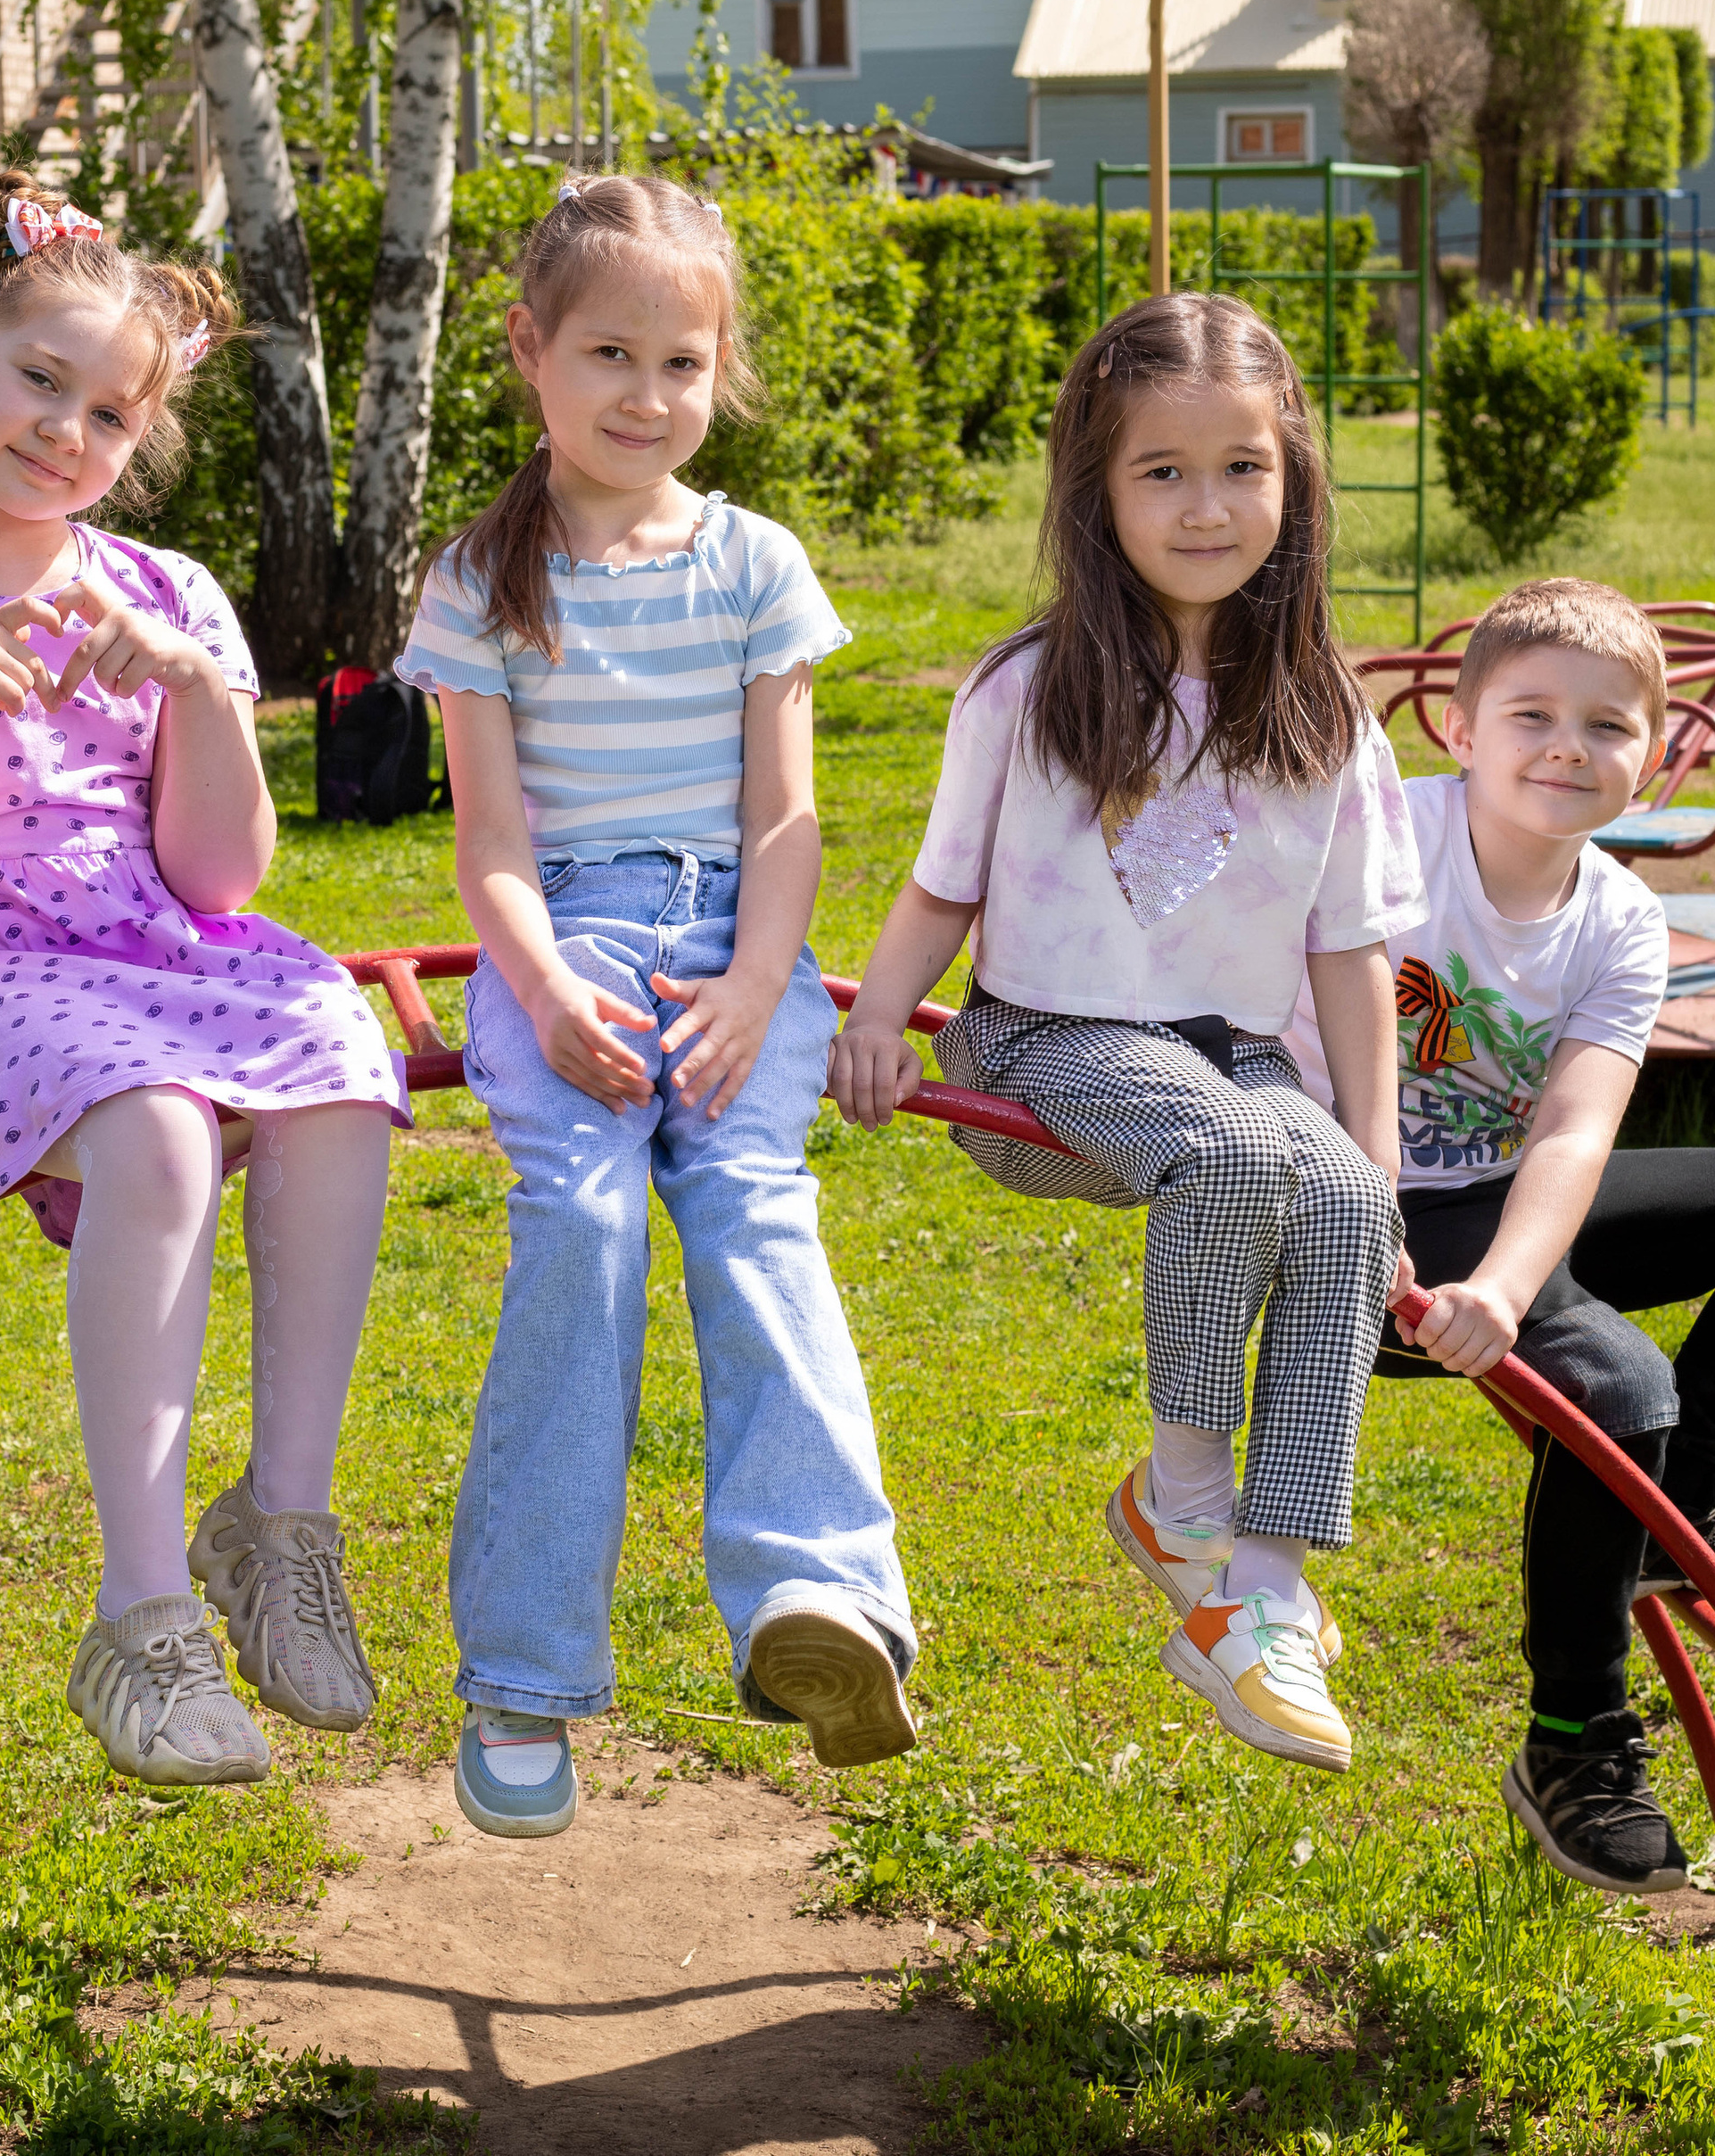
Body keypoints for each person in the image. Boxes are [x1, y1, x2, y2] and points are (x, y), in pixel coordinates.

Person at [0, 169, 408, 1788]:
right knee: (157, 1132)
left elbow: (221, 882)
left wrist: (204, 692)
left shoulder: (171, 599)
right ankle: (139, 1620)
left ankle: (279, 1528)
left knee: (348, 1072)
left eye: (111, 414)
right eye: (39, 382)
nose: (66, 432)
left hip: (159, 952)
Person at [827, 293, 1425, 1774]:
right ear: (1100, 491)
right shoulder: (1028, 689)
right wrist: (880, 1024)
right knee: (1228, 1148)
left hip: (1236, 1061)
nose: (1208, 506)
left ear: (1294, 483)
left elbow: (1350, 954)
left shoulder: (1327, 712)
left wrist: (1382, 1152)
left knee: (1336, 1192)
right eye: (1163, 471)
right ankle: (1178, 1494)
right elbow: (937, 888)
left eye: (1244, 468)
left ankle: (1267, 1593)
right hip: (1050, 1047)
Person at [395, 173, 918, 1842]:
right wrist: (541, 990)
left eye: (682, 363)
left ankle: (818, 1604)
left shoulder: (755, 562)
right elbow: (487, 843)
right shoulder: (481, 582)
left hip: (734, 942)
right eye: (610, 354)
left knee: (758, 1207)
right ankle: (526, 1674)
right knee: (584, 1226)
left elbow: (786, 819)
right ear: (528, 352)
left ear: (720, 370)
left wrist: (768, 982)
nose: (648, 396)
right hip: (565, 942)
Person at [1290, 578, 1715, 1892]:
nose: (1567, 749)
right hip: (1318, 1204)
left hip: (1490, 1218)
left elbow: (1577, 1134)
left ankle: (1653, 1518)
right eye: (1532, 715)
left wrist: (1509, 1287)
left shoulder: (1624, 920)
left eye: (1607, 726)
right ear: (1458, 729)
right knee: (1621, 1386)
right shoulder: (1385, 843)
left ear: (1658, 755)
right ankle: (1577, 1741)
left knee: (1630, 1408)